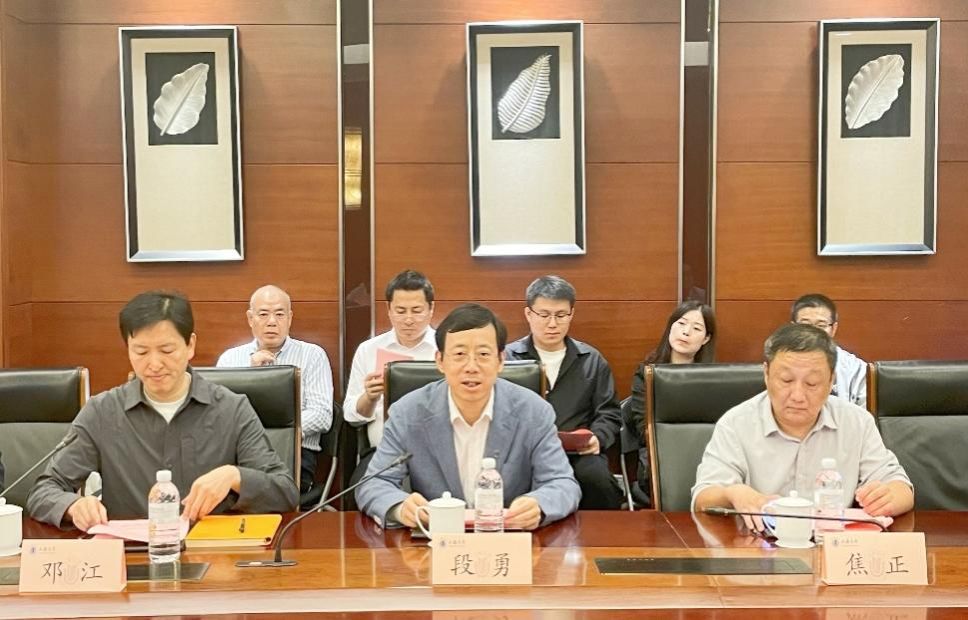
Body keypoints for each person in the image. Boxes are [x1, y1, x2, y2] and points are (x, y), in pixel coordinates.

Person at [27, 291, 298, 530]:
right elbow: (44, 490)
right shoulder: (102, 412)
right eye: (141, 352)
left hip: (213, 557)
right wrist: (73, 505)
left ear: (190, 345)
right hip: (131, 557)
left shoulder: (231, 409)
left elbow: (285, 492)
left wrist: (234, 476)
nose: (154, 364)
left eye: (166, 350)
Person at [356, 303, 581, 530]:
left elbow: (562, 483)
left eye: (483, 354)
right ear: (440, 361)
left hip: (507, 537)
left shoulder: (534, 411)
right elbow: (374, 484)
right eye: (459, 354)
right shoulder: (407, 412)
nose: (471, 367)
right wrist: (400, 507)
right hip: (436, 538)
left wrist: (539, 505)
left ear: (500, 360)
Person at [692, 323, 913, 531]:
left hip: (831, 546)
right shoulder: (736, 423)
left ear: (831, 381)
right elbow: (703, 498)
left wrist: (888, 497)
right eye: (786, 380)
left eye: (812, 383)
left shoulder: (857, 422)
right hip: (759, 548)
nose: (798, 396)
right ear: (766, 374)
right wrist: (734, 493)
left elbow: (900, 487)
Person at [505, 275, 623, 510]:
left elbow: (609, 413)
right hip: (522, 454)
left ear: (571, 315)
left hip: (577, 454)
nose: (552, 324)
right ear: (528, 314)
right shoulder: (507, 359)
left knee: (598, 480)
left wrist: (598, 438)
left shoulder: (591, 360)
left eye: (560, 315)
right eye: (544, 315)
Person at [217, 285, 334, 494]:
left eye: (279, 314)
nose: (272, 321)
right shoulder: (230, 359)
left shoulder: (312, 355)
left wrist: (279, 434)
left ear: (290, 318)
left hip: (295, 454)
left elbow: (322, 415)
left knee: (261, 493)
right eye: (263, 314)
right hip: (241, 454)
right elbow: (220, 416)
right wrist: (251, 375)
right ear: (250, 318)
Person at [343, 270, 437, 482]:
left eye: (417, 311)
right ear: (388, 309)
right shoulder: (369, 350)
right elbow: (350, 416)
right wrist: (369, 398)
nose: (408, 319)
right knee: (361, 489)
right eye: (401, 311)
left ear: (431, 309)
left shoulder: (446, 350)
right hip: (383, 453)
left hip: (436, 454)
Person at [624, 301, 717, 504]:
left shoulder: (712, 378)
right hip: (657, 459)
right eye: (681, 323)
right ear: (670, 327)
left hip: (702, 457)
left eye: (696, 328)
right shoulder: (646, 373)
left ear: (706, 338)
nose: (686, 332)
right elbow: (643, 428)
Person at [791, 293, 866, 407]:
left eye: (821, 325)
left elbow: (865, 413)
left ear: (833, 329)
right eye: (805, 325)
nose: (813, 332)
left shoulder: (854, 368)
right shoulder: (780, 364)